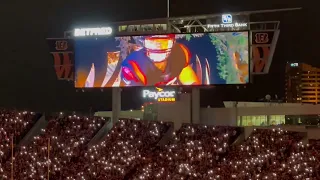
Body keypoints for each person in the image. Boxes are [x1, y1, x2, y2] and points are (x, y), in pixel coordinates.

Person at [120, 34, 200, 86]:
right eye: (153, 42)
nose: (158, 47)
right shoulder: (132, 64)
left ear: (173, 42)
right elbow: (137, 96)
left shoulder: (180, 52)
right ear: (144, 43)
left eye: (163, 42)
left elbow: (187, 76)